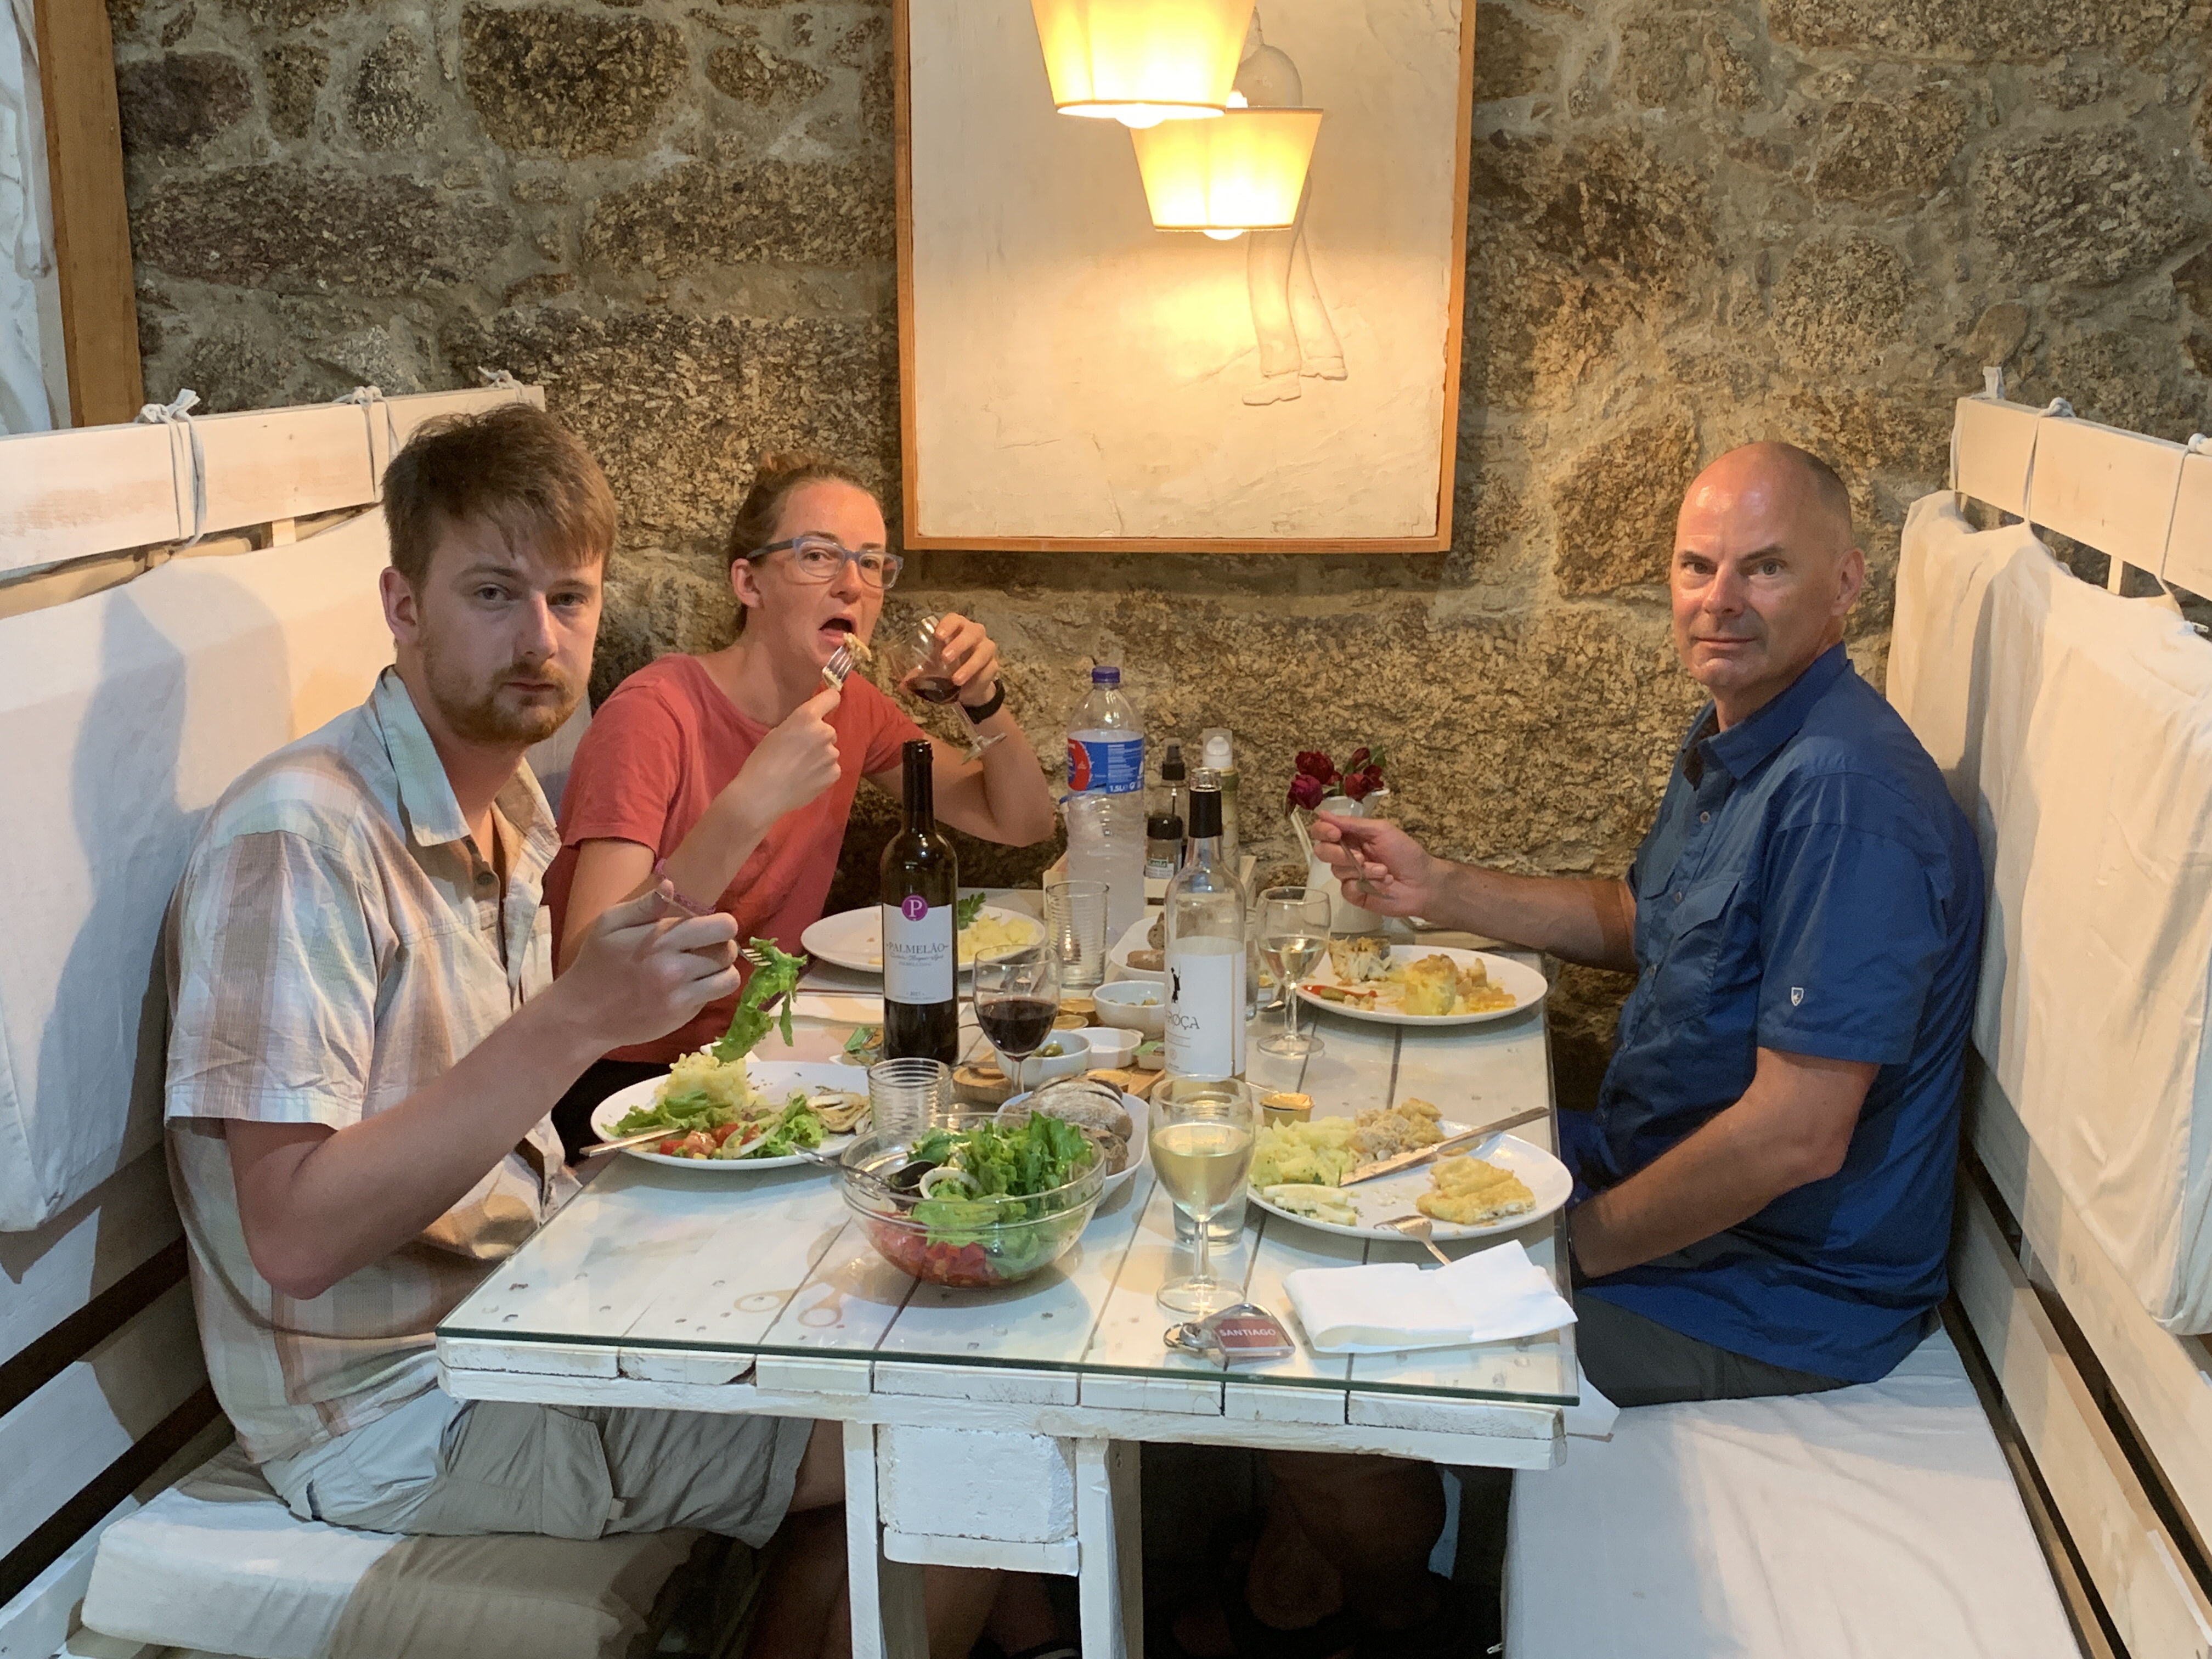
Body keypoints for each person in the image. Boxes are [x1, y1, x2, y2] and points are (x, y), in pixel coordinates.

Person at [163, 407, 1060, 1659]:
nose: (540, 638)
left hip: (524, 1308)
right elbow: (296, 1237)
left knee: (944, 1313)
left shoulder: (503, 812)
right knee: (977, 1422)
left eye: (569, 599)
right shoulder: (301, 835)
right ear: (403, 605)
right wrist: (578, 1015)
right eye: (493, 592)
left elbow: (1020, 815)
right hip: (403, 1408)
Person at [1171, 441, 1984, 1657]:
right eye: (1698, 566)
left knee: (1311, 1369)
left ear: (1846, 583)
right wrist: (1438, 887)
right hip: (1649, 1174)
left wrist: (1568, 1251)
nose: (1721, 598)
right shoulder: (1744, 736)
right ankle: (1309, 1572)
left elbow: (1796, 1135)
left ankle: (1408, 1617)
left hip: (1773, 1287)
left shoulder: (1844, 796)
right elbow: (1644, 920)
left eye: (1765, 568)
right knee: (1309, 1204)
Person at [547, 452, 1058, 1155]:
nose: (853, 583)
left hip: (763, 1064)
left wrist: (982, 700)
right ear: (748, 582)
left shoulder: (851, 707)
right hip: (625, 1081)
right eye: (818, 556)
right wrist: (749, 803)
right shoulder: (654, 714)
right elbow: (589, 966)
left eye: (872, 563)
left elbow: (1021, 821)